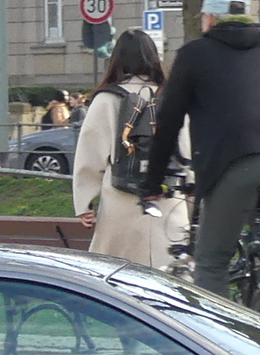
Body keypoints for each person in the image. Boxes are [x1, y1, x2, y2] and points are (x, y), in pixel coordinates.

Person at [138, 0, 260, 298]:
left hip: (239, 161)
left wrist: (152, 183)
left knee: (212, 262)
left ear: (208, 19)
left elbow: (168, 122)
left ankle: (218, 338)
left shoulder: (194, 53)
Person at [73, 30, 188, 270]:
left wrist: (84, 203)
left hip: (121, 201)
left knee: (118, 278)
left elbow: (90, 154)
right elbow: (186, 148)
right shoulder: (172, 96)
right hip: (168, 199)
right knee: (175, 280)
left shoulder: (107, 99)